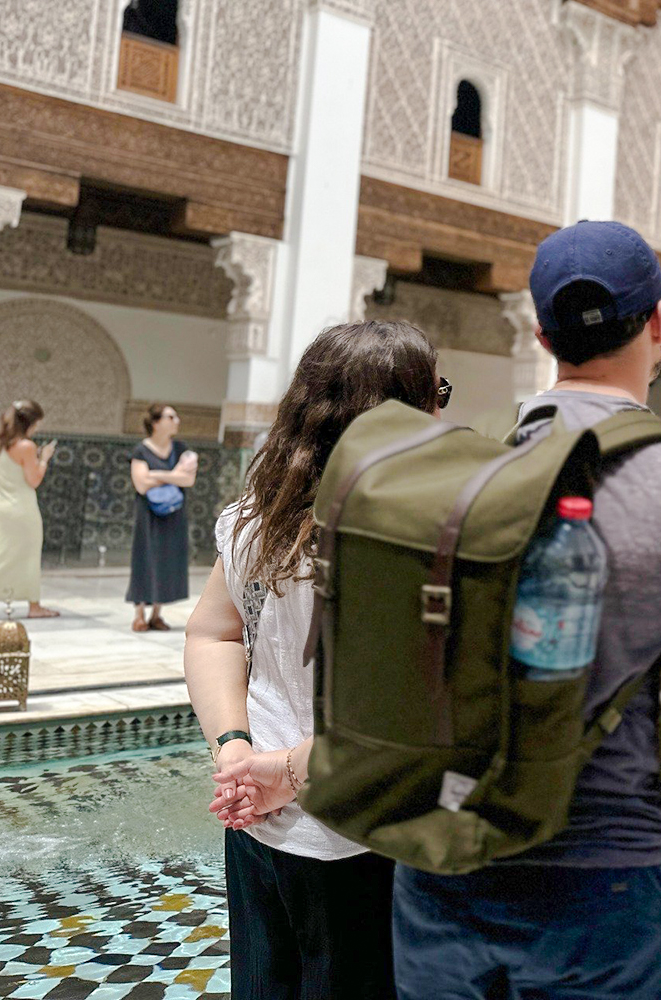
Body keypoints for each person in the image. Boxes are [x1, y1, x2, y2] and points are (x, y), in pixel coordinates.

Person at [387, 220, 661, 1000]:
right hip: (610, 893)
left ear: (539, 330)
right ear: (658, 323)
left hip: (444, 876)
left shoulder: (450, 473)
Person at [188, 321, 448, 999]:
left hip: (260, 825)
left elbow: (211, 635)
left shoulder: (257, 517)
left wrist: (236, 753)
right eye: (437, 394)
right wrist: (268, 771)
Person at [0, 400, 59, 620]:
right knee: (28, 557)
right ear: (31, 423)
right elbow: (33, 480)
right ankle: (33, 606)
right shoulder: (26, 446)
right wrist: (44, 459)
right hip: (21, 509)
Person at [129, 403, 196, 631]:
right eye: (170, 416)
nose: (176, 420)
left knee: (167, 558)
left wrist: (155, 474)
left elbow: (188, 480)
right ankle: (139, 613)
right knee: (144, 555)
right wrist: (173, 475)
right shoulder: (141, 450)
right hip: (147, 513)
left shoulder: (180, 448)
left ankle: (157, 613)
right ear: (156, 422)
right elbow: (140, 484)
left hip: (174, 511)